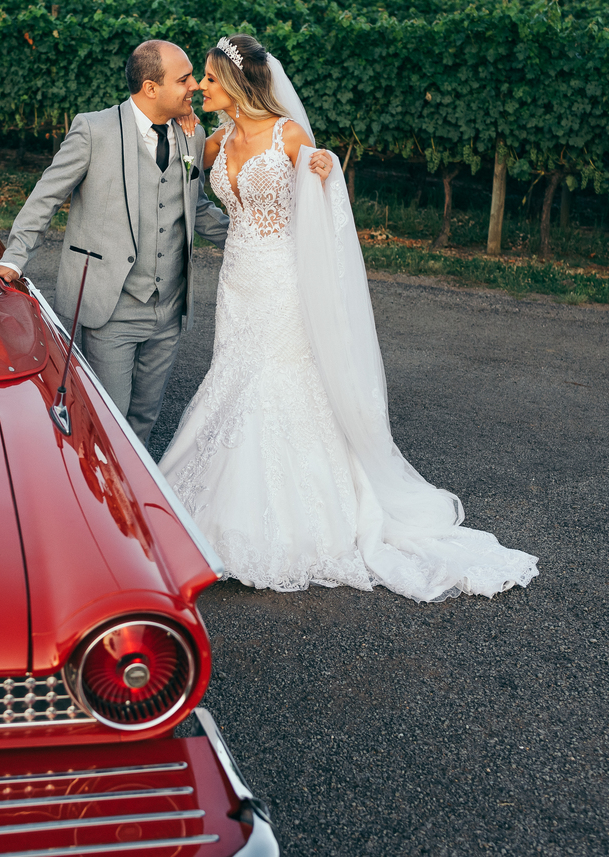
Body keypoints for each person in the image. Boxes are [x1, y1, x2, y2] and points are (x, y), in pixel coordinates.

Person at [158, 34, 539, 601]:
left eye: (209, 79)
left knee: (274, 379)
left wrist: (325, 165)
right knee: (234, 374)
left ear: (234, 83)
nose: (201, 88)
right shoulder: (213, 141)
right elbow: (191, 198)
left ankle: (286, 525)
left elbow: (321, 201)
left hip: (283, 279)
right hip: (238, 281)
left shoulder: (290, 136)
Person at [0, 40, 229, 444]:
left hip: (168, 310)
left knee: (144, 421)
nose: (194, 87)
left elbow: (196, 208)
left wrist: (250, 240)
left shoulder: (192, 135)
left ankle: (131, 504)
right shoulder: (93, 130)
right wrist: (15, 258)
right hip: (110, 308)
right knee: (107, 423)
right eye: (184, 79)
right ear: (151, 88)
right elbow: (47, 196)